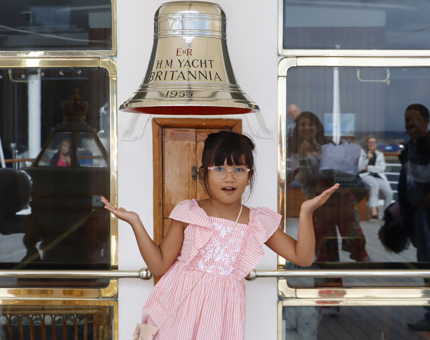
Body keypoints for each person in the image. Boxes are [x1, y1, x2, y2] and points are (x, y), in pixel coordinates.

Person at [101, 131, 338, 340]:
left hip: (222, 313)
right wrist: (135, 223)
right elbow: (159, 265)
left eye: (238, 169)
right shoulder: (189, 211)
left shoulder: (256, 221)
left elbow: (303, 258)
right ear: (205, 173)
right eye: (220, 168)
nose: (229, 177)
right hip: (178, 306)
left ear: (249, 176)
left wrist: (306, 212)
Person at [289, 112, 370, 267]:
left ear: (317, 127)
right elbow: (303, 179)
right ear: (297, 128)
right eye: (302, 124)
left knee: (356, 242)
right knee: (325, 249)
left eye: (310, 124)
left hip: (343, 199)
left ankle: (369, 284)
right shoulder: (295, 152)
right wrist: (302, 157)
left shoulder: (330, 145)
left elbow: (348, 166)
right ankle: (329, 287)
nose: (306, 127)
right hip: (318, 205)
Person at [396, 104, 430, 331]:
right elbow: (405, 185)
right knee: (425, 264)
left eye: (415, 119)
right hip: (419, 216)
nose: (410, 124)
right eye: (407, 120)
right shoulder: (409, 148)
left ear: (426, 122)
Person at [358, 136, 393, 218]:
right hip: (365, 175)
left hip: (378, 176)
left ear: (376, 144)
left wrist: (369, 168)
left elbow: (381, 168)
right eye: (369, 142)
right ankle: (373, 210)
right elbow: (360, 168)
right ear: (367, 143)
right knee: (374, 185)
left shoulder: (380, 154)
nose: (371, 144)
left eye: (373, 142)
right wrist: (367, 158)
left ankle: (386, 213)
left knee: (389, 192)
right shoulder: (362, 153)